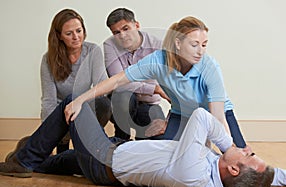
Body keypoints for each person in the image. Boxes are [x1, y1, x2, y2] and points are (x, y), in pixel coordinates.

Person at [0, 96, 286, 187]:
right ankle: (36, 156)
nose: (247, 149)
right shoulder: (232, 176)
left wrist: (229, 145)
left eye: (248, 156)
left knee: (74, 104)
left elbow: (202, 117)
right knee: (62, 162)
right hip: (116, 154)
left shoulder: (193, 175)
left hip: (106, 161)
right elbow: (273, 176)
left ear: (234, 168)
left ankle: (23, 160)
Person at [66, 16, 245, 147]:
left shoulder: (209, 66)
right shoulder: (158, 61)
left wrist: (230, 150)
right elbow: (117, 80)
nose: (200, 51)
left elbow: (217, 116)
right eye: (194, 44)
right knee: (165, 150)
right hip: (181, 114)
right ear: (178, 43)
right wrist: (80, 100)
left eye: (204, 44)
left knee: (241, 157)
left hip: (216, 113)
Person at [40, 9, 111, 153]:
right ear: (59, 36)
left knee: (103, 104)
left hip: (85, 107)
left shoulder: (92, 50)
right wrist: (49, 130)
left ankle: (87, 144)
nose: (76, 37)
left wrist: (80, 103)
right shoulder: (48, 59)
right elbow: (49, 100)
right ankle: (62, 144)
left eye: (79, 31)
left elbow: (102, 85)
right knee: (61, 156)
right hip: (61, 113)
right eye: (69, 33)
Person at [103, 8, 166, 140]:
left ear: (136, 25)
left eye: (126, 28)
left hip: (148, 102)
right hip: (121, 101)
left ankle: (140, 146)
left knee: (157, 135)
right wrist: (154, 89)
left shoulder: (157, 46)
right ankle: (121, 140)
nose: (122, 35)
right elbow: (119, 82)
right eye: (116, 32)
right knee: (124, 98)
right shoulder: (109, 45)